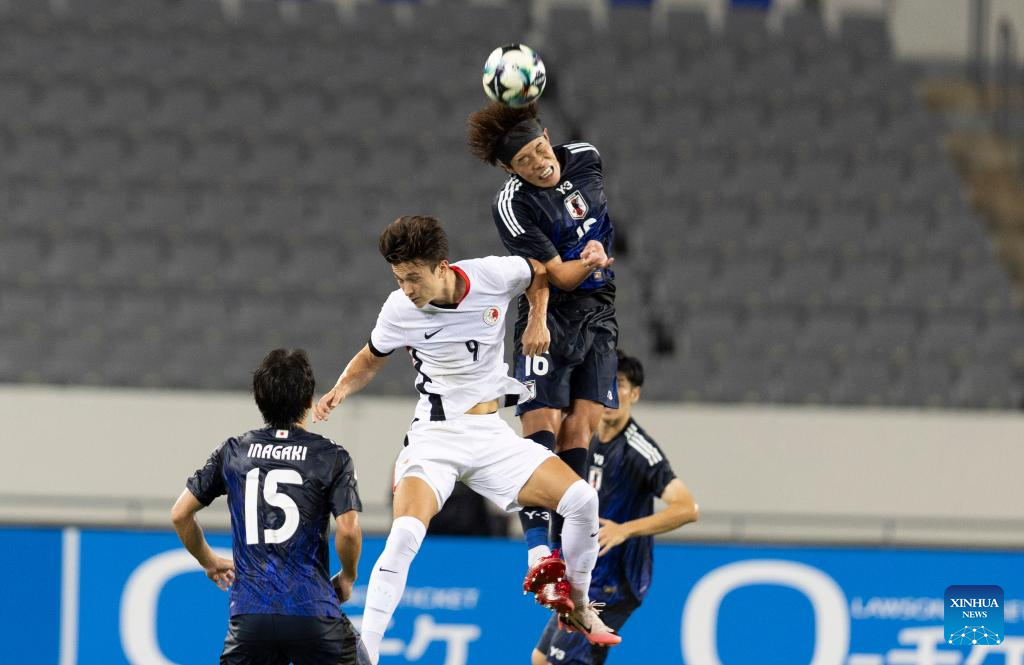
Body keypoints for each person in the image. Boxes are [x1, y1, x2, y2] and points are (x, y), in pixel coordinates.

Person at [313, 216, 621, 664]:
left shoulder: (491, 275)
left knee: (581, 500)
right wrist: (340, 388)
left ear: (442, 267)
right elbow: (370, 357)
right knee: (404, 536)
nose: (406, 289)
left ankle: (576, 603)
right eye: (399, 279)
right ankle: (368, 655)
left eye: (413, 278)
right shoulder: (398, 309)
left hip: (490, 435)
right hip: (434, 438)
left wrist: (537, 320)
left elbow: (538, 272)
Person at [466, 101, 618, 575]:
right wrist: (588, 262)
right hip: (550, 313)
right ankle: (538, 552)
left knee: (582, 427)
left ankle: (563, 550)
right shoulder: (513, 204)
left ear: (548, 135)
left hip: (601, 311)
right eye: (524, 161)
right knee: (540, 430)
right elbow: (550, 273)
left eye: (539, 149)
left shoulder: (586, 157)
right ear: (509, 169)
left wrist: (595, 259)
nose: (539, 163)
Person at [171, 348, 368, 665]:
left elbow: (180, 514)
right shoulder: (332, 456)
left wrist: (209, 560)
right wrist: (348, 576)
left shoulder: (233, 452)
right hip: (313, 612)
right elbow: (347, 530)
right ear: (309, 400)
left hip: (251, 618)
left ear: (259, 400)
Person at [532, 350, 700, 665]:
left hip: (615, 581)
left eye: (619, 384)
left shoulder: (638, 450)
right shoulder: (585, 436)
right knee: (541, 659)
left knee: (558, 662)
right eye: (606, 381)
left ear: (634, 394)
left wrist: (625, 530)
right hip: (587, 576)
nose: (610, 391)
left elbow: (687, 507)